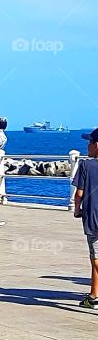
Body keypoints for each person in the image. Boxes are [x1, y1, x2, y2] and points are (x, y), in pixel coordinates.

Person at [73, 127, 98, 309]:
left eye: (89, 142)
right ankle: (93, 294)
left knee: (96, 256)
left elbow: (79, 193)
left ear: (96, 146)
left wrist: (77, 209)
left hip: (93, 218)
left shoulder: (85, 165)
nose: (87, 145)